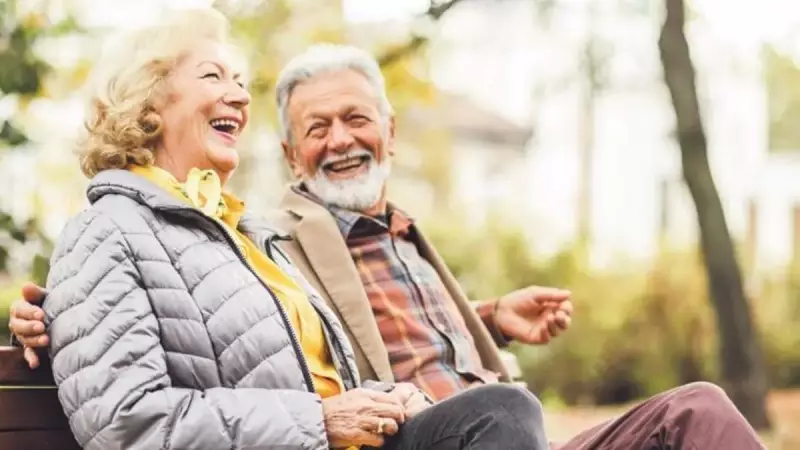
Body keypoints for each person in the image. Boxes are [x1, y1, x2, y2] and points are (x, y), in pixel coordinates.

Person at [9, 40, 765, 449]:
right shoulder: (270, 230)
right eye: (316, 127)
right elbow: (125, 408)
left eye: (358, 120)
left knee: (694, 411)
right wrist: (52, 310)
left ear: (392, 130)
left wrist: (488, 319)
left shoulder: (245, 234)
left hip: (463, 433)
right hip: (438, 436)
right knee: (501, 411)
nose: (340, 141)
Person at [14, 10, 549, 450]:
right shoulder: (106, 231)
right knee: (500, 414)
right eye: (214, 77)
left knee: (513, 412)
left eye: (242, 82)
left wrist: (388, 397)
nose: (242, 98)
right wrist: (320, 421)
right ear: (149, 102)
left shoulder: (245, 233)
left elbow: (304, 380)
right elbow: (123, 421)